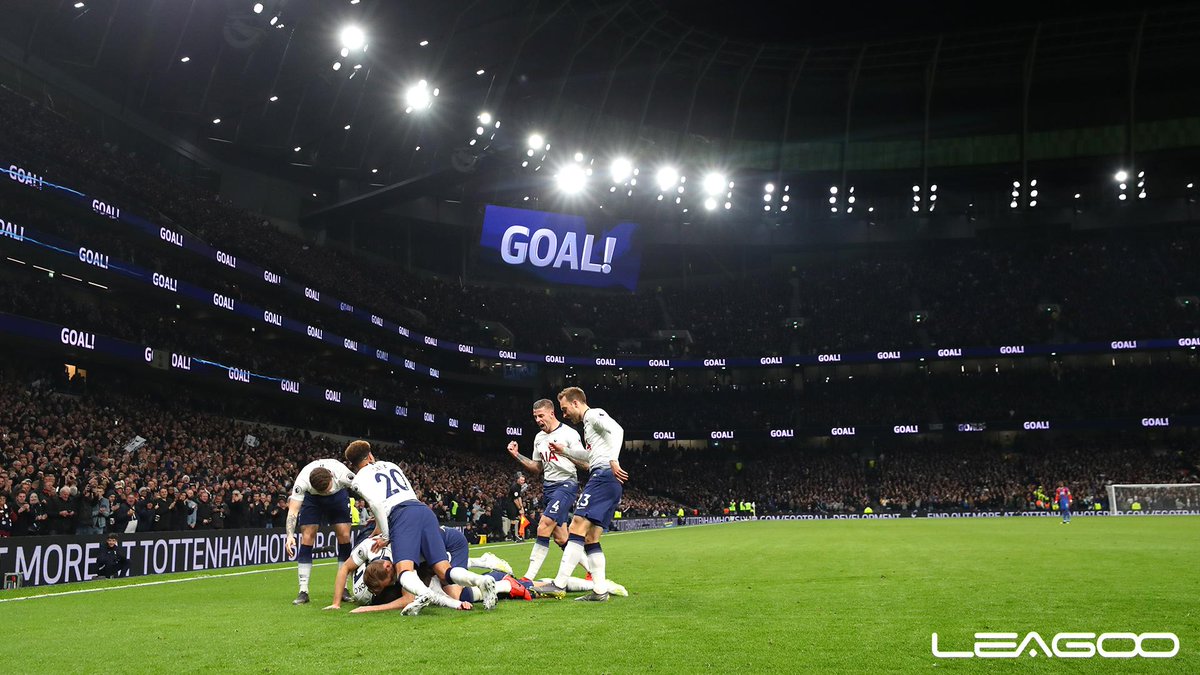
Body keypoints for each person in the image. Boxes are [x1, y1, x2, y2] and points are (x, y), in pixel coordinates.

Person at [343, 439, 497, 614]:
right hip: (422, 510)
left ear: (354, 464)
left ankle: (423, 594)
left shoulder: (359, 479)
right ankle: (480, 581)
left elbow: (377, 505)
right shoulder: (391, 465)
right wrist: (379, 529)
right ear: (370, 455)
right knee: (443, 569)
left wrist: (385, 536)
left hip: (402, 516)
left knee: (404, 571)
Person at [535, 387, 628, 602]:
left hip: (603, 476)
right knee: (590, 537)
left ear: (576, 403)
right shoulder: (589, 425)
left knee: (576, 525)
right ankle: (600, 591)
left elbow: (618, 430)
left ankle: (558, 584)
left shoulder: (594, 414)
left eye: (565, 409)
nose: (565, 414)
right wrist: (564, 450)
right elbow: (590, 454)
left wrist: (613, 459)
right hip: (608, 480)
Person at [507, 398, 592, 581]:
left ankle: (528, 578)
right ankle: (592, 571)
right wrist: (516, 455)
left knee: (543, 525)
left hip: (566, 484)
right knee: (561, 538)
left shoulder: (569, 434)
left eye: (541, 416)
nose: (538, 420)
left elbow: (585, 464)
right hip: (548, 487)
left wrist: (565, 452)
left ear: (551, 413)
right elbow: (537, 468)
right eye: (535, 417)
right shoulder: (539, 438)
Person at [284, 458, 357, 605]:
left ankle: (343, 588)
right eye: (323, 490)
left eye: (328, 487)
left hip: (338, 497)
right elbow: (293, 511)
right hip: (313, 500)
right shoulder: (302, 481)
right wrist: (290, 536)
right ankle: (303, 591)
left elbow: (366, 492)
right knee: (307, 536)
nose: (326, 492)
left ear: (331, 477)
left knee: (344, 535)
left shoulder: (343, 474)